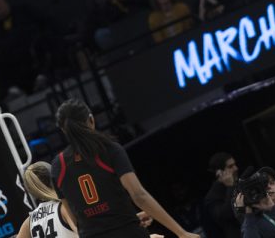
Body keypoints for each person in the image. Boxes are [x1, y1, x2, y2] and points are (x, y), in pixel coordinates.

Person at [51, 99, 200, 238]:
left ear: (64, 131)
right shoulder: (109, 149)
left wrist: (128, 217)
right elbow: (139, 196)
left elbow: (76, 218)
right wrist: (182, 233)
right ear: (91, 119)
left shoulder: (58, 165)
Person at [17, 162, 78, 238]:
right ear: (54, 177)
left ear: (31, 191)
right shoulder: (64, 208)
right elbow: (85, 233)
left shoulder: (29, 222)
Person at [202, 153, 240, 238]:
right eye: (230, 166)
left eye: (235, 165)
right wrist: (230, 187)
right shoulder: (211, 197)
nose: (236, 168)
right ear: (219, 172)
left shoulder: (239, 183)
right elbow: (227, 215)